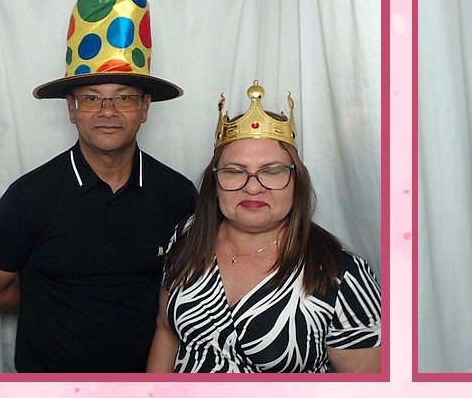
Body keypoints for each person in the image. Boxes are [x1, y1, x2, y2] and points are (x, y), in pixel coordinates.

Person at [0, 0, 195, 371]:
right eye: (91, 98)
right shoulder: (28, 199)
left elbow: (189, 295)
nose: (108, 111)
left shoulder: (178, 195)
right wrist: (51, 301)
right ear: (71, 108)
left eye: (124, 97)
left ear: (145, 107)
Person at [148, 82, 381, 373]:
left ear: (297, 182)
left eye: (272, 171)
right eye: (235, 171)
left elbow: (365, 390)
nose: (253, 187)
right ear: (215, 183)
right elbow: (166, 330)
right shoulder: (187, 236)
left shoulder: (341, 274)